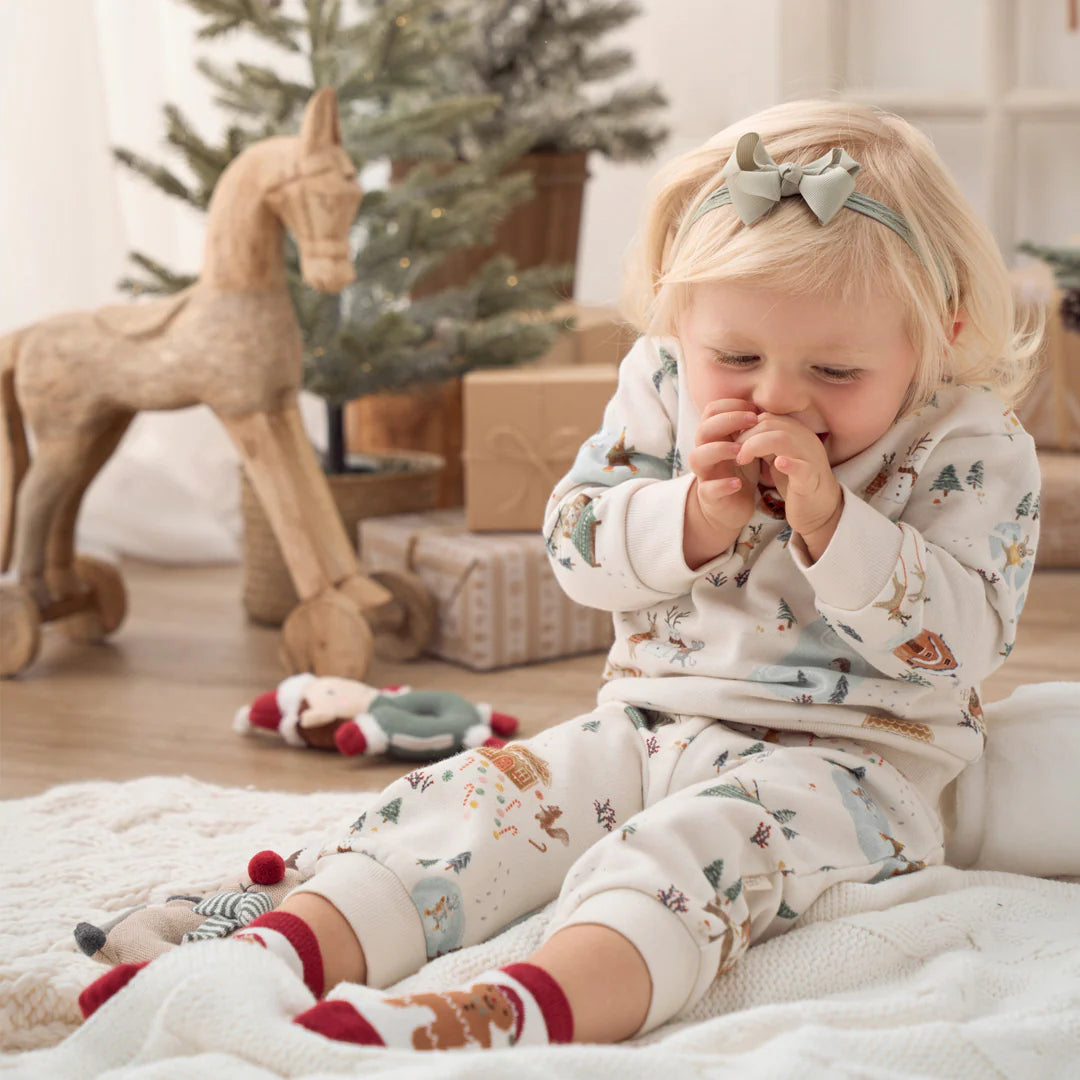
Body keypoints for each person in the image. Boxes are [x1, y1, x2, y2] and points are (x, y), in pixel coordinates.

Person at [79, 98, 1042, 1050]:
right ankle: (271, 952)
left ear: (938, 331)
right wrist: (693, 518)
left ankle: (514, 1011)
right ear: (679, 318)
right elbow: (579, 547)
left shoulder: (971, 443)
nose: (776, 395)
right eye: (737, 355)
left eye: (835, 373)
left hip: (853, 767)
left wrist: (838, 529)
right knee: (487, 798)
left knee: (699, 851)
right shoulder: (662, 386)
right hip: (646, 722)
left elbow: (960, 645)